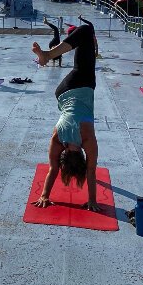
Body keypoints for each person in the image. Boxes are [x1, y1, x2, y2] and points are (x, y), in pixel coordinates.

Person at [31, 18, 101, 212]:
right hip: (62, 92)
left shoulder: (87, 139)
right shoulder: (58, 138)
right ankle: (64, 42)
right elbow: (53, 169)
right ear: (65, 156)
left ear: (81, 156)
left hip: (82, 84)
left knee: (87, 31)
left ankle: (48, 55)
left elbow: (91, 171)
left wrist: (92, 200)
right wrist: (44, 195)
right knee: (84, 42)